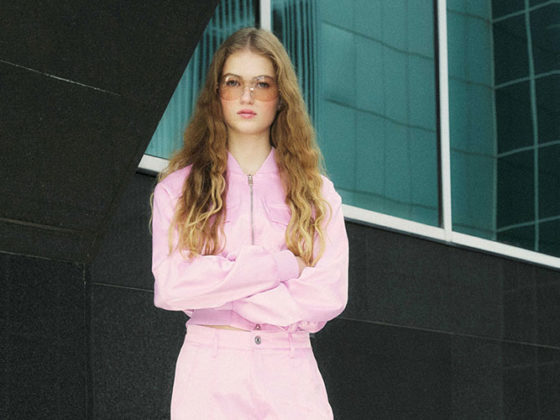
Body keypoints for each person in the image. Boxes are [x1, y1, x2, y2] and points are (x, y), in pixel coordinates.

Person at [151, 27, 348, 419]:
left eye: (262, 84)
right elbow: (172, 287)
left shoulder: (318, 194)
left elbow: (328, 295)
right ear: (216, 94)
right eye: (233, 82)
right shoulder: (178, 190)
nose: (247, 96)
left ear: (281, 96)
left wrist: (219, 290)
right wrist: (283, 266)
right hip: (210, 372)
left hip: (290, 370)